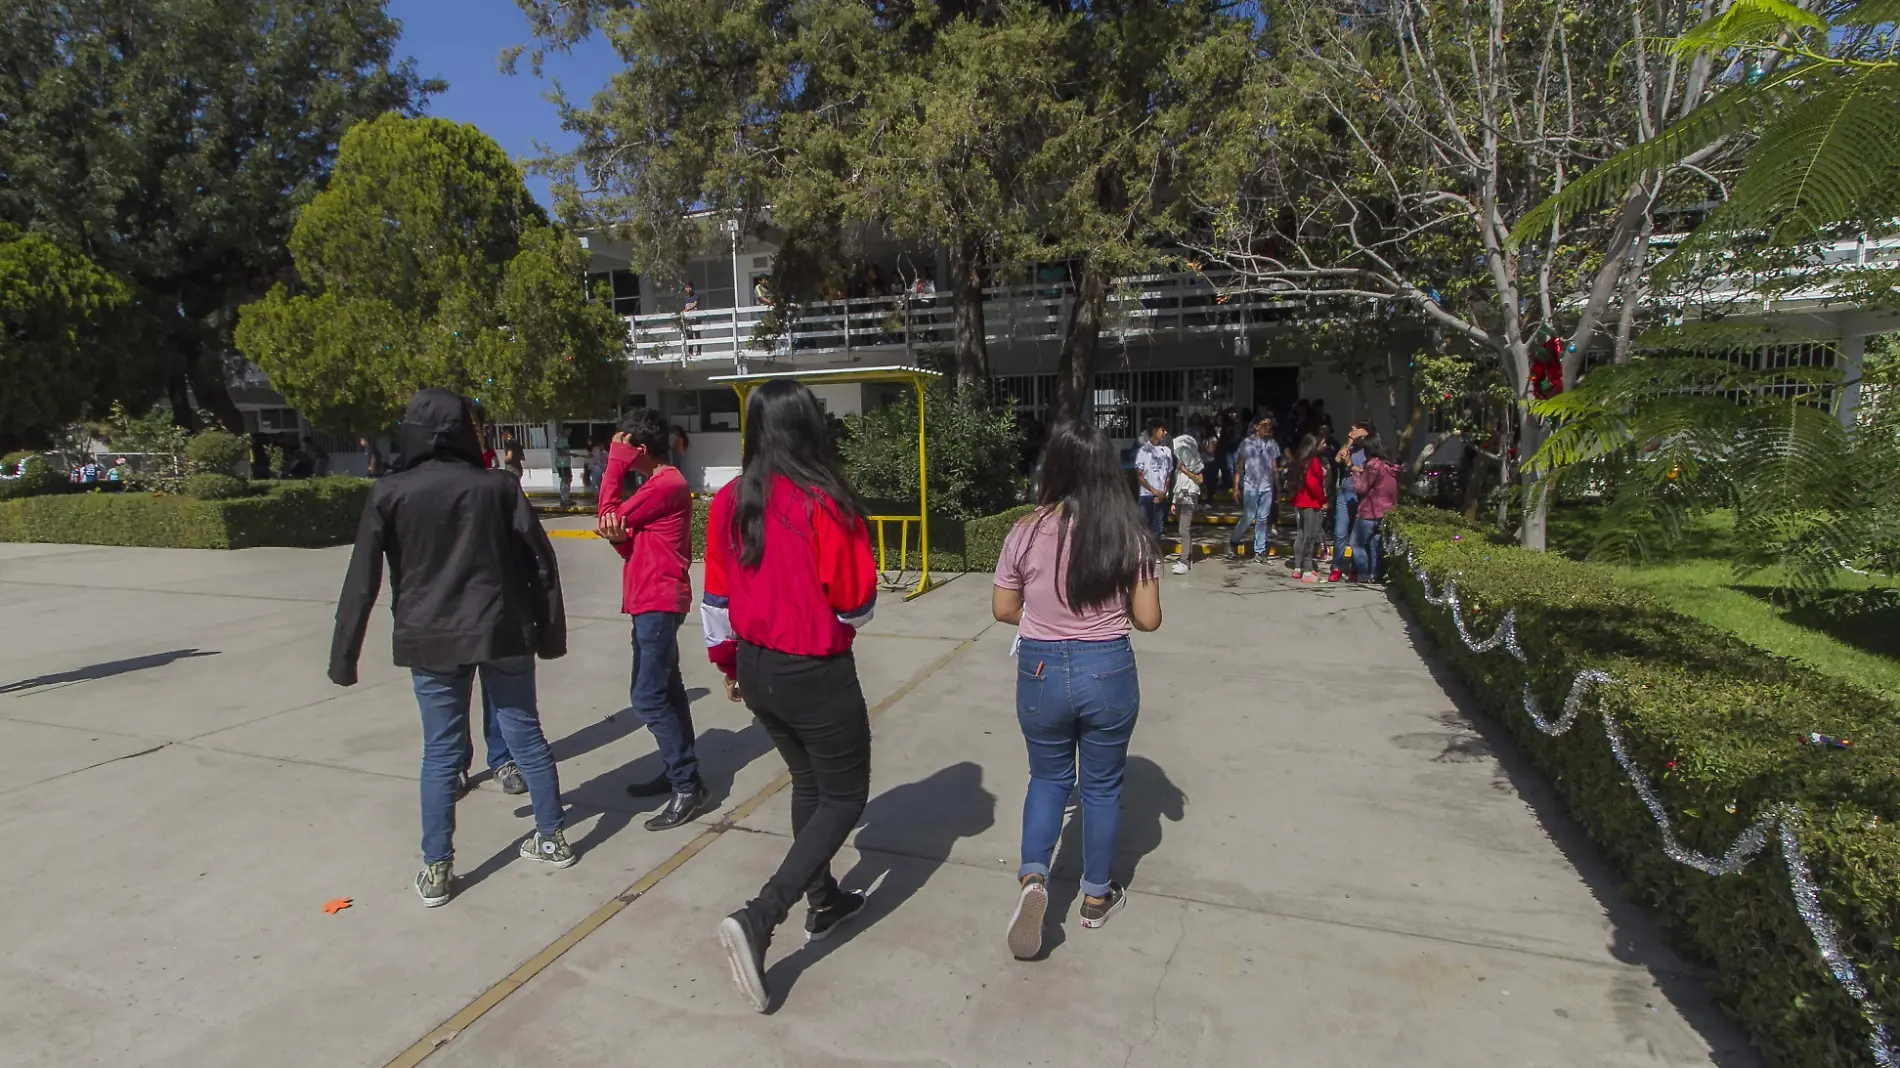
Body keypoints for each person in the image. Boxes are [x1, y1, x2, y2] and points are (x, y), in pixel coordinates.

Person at [328, 388, 573, 909]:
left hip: (430, 636)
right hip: (502, 630)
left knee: (440, 753)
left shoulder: (390, 492)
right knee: (525, 735)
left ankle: (437, 868)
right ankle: (551, 837)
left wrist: (344, 654)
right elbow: (540, 563)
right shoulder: (499, 488)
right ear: (464, 430)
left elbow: (361, 578)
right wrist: (549, 634)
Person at [703, 380, 877, 1013]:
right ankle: (761, 915)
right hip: (813, 671)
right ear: (810, 428)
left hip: (755, 669)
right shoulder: (824, 502)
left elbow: (715, 599)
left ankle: (824, 899)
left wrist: (728, 662)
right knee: (844, 794)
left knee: (808, 782)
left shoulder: (729, 500)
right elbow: (857, 601)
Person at [993, 420, 1163, 960]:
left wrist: (1046, 620)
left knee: (1047, 778)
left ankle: (1035, 881)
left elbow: (1001, 609)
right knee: (1102, 788)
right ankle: (1094, 896)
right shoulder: (1129, 533)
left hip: (1041, 670)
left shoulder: (1024, 529)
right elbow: (1149, 619)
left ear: (1054, 467)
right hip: (1108, 668)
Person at [596, 408, 706, 831]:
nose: (618, 453)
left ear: (638, 451)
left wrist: (612, 464)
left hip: (658, 600)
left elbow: (607, 514)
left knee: (647, 697)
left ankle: (687, 783)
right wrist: (619, 540)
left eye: (623, 447)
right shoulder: (658, 485)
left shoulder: (665, 484)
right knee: (669, 689)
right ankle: (678, 771)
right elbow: (627, 542)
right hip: (648, 597)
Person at [1229, 416, 1282, 559]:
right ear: (1256, 426)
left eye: (1270, 425)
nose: (1267, 427)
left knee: (1263, 518)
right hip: (1251, 486)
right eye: (1264, 424)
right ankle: (1234, 541)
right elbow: (1239, 467)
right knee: (1248, 516)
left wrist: (1278, 488)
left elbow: (1274, 467)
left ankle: (1260, 550)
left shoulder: (1273, 444)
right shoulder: (1246, 443)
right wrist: (1236, 488)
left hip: (1267, 487)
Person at [1349, 434, 1400, 582]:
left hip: (1369, 511)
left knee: (1356, 543)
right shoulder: (1390, 465)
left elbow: (1361, 488)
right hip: (1386, 511)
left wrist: (1355, 475)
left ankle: (1363, 574)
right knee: (1374, 544)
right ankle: (1375, 575)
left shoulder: (1373, 465)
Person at [1329, 422, 1370, 582]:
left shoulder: (1370, 450)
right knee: (1340, 533)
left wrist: (1351, 466)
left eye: (1354, 429)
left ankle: (1355, 567)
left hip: (1362, 494)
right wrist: (1349, 442)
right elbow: (1338, 458)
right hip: (1345, 492)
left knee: (1357, 534)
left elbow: (1369, 472)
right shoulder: (1351, 448)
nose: (1351, 432)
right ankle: (1337, 566)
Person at [1289, 433, 1328, 583]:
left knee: (1300, 534)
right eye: (1323, 443)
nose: (1325, 446)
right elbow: (1314, 484)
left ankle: (1298, 568)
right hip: (1311, 503)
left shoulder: (1300, 461)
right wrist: (1323, 500)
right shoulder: (1314, 462)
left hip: (1300, 502)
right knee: (1310, 537)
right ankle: (1307, 570)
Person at [1169, 427, 1204, 575]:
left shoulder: (1196, 464)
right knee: (1182, 529)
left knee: (1184, 528)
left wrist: (1185, 471)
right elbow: (1176, 483)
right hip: (1179, 496)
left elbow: (1199, 479)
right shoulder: (1177, 464)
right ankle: (1186, 558)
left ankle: (1184, 561)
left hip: (1189, 496)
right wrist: (1173, 501)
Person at [1133, 420, 1173, 539]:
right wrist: (1154, 491)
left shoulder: (1167, 451)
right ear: (1154, 431)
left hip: (1161, 496)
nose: (1165, 433)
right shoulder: (1143, 451)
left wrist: (1164, 492)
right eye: (1162, 430)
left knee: (1159, 528)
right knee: (1145, 527)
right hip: (1147, 495)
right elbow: (1140, 476)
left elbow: (1169, 474)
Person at [554, 433, 575, 509]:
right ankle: (564, 500)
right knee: (565, 480)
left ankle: (567, 498)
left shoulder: (565, 439)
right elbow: (559, 452)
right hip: (562, 464)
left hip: (566, 463)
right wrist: (571, 454)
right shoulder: (559, 439)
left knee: (569, 479)